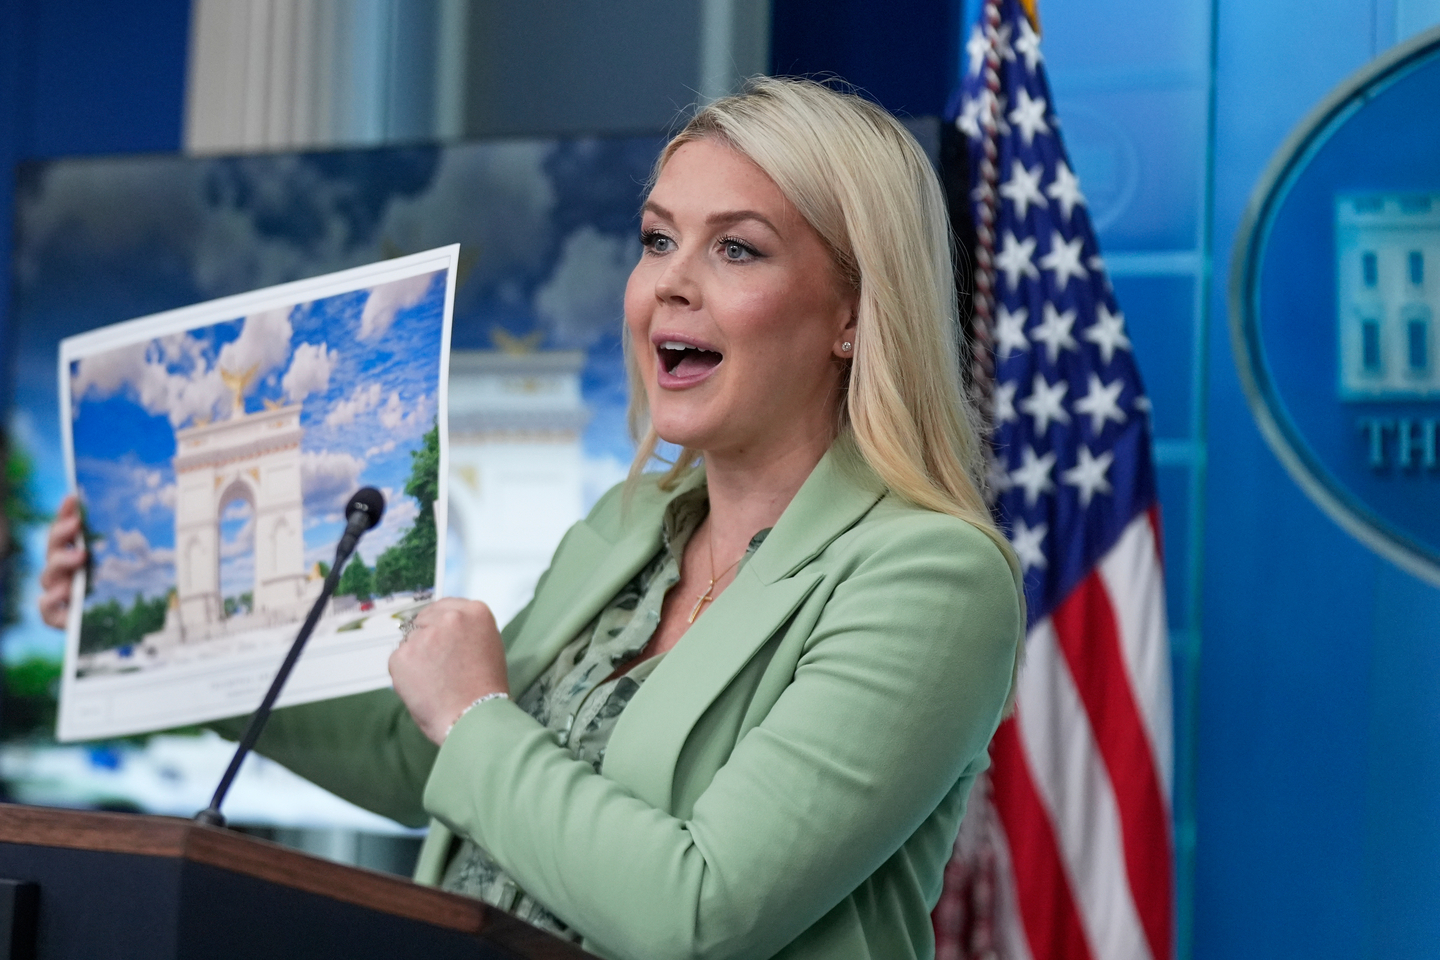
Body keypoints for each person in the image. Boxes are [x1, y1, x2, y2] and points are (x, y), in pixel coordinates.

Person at [40, 77, 1023, 960]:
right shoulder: (630, 523)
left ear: (855, 312)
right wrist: (153, 620)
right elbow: (423, 756)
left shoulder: (931, 577)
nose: (669, 282)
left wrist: (475, 714)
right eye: (656, 239)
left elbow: (700, 912)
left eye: (736, 247)